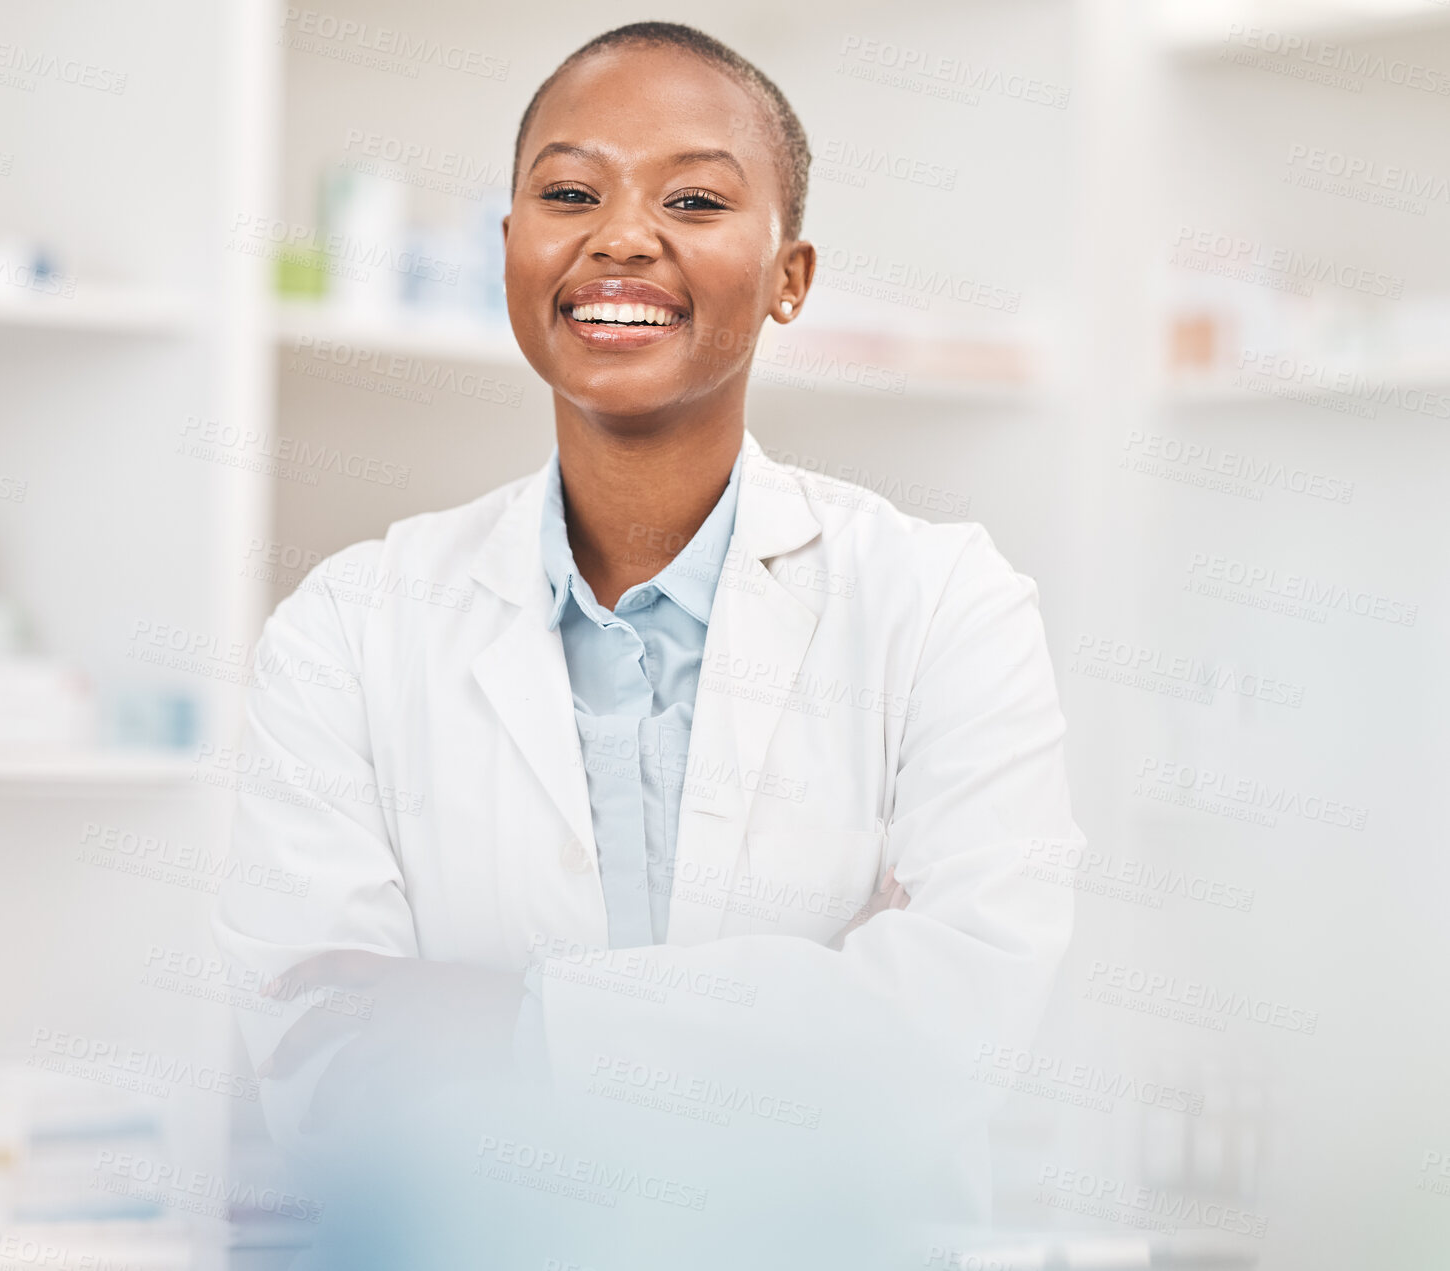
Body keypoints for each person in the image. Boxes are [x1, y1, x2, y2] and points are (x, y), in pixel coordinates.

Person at [211, 21, 1082, 1267]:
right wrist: (799, 1007)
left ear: (791, 273)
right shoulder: (348, 628)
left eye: (694, 198)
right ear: (510, 246)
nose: (622, 235)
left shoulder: (947, 606)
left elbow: (948, 1038)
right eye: (569, 192)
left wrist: (517, 1013)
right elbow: (330, 1075)